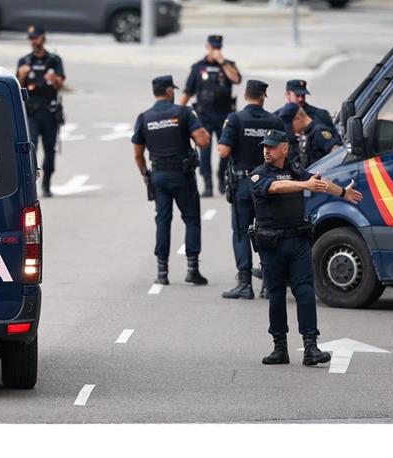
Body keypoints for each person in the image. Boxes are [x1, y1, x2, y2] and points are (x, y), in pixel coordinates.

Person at [250, 129, 363, 366]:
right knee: (276, 295)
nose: (266, 150)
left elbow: (318, 183)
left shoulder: (295, 170)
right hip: (272, 244)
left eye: (271, 146)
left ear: (284, 148)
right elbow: (275, 188)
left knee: (304, 292)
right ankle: (279, 348)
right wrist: (305, 184)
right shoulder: (259, 174)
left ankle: (311, 347)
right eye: (265, 146)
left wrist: (343, 192)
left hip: (297, 242)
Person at [132, 75, 211, 285]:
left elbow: (138, 154)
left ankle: (162, 272)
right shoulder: (183, 113)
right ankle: (192, 269)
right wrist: (197, 122)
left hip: (158, 176)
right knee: (191, 219)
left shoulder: (144, 117)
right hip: (182, 175)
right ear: (168, 91)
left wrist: (145, 175)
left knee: (162, 220)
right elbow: (203, 141)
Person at [218, 80, 284, 299]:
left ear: (246, 95)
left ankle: (245, 283)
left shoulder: (235, 119)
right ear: (264, 96)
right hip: (269, 184)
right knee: (268, 232)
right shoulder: (275, 121)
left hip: (244, 184)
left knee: (241, 232)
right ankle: (268, 284)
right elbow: (284, 152)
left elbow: (223, 151)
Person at [178, 34, 241, 197]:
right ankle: (207, 184)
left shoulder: (228, 65)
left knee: (225, 149)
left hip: (224, 116)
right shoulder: (198, 67)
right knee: (204, 151)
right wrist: (177, 113)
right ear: (207, 47)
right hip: (204, 116)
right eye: (213, 47)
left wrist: (222, 62)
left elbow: (236, 79)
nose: (215, 51)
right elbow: (188, 91)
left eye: (217, 48)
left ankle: (222, 178)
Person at [17, 26, 65, 197]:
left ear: (43, 38)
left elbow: (60, 86)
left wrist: (54, 79)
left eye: (36, 37)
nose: (33, 41)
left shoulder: (54, 60)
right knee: (31, 147)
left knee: (50, 149)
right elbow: (19, 87)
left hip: (49, 111)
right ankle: (30, 183)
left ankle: (46, 184)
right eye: (31, 38)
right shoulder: (24, 61)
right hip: (31, 112)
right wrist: (22, 76)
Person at [279, 102, 342, 167]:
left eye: (291, 126)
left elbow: (337, 153)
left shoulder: (319, 131)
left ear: (298, 118)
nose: (291, 130)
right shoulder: (305, 134)